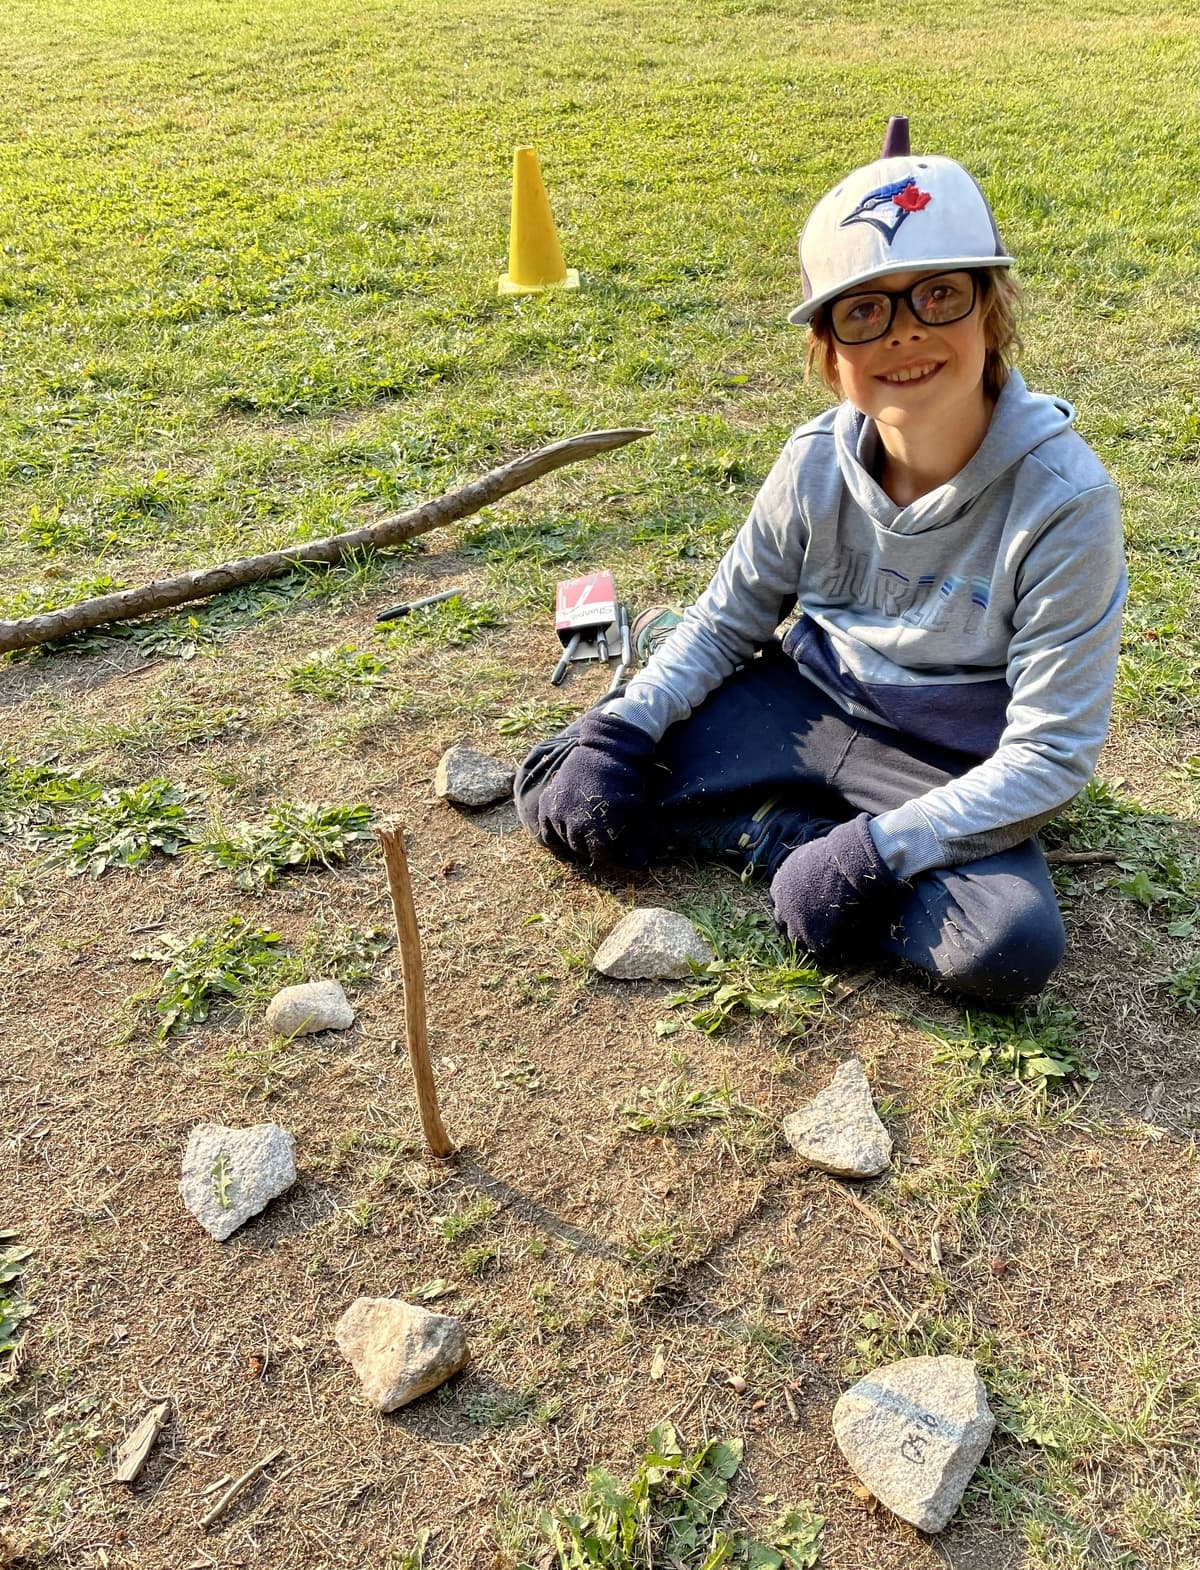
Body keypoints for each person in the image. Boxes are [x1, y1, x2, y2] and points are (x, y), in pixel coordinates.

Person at [514, 123, 1126, 1004]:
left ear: (992, 311)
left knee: (1005, 944)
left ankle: (795, 836)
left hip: (938, 766)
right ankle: (780, 835)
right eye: (865, 310)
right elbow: (727, 622)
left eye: (940, 295)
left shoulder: (1067, 501)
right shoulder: (810, 463)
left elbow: (1052, 755)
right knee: (569, 782)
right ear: (829, 353)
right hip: (798, 704)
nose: (906, 335)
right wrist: (619, 732)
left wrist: (875, 853)